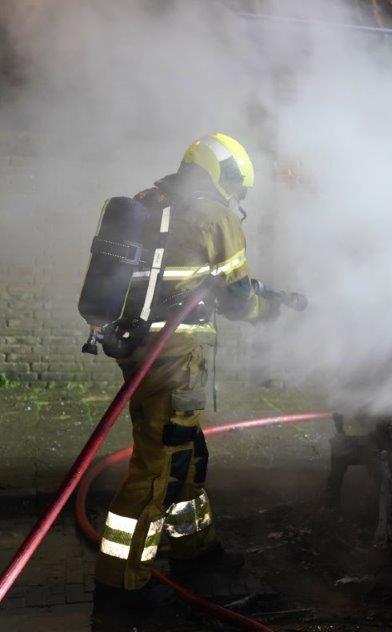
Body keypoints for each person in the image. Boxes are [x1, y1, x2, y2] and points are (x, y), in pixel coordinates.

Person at [93, 133, 280, 611]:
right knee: (158, 466)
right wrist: (268, 310)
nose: (235, 196)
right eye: (236, 185)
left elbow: (181, 277)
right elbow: (237, 302)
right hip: (175, 358)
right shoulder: (214, 216)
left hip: (140, 350)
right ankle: (122, 585)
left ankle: (196, 551)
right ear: (224, 175)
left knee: (186, 454)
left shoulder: (150, 202)